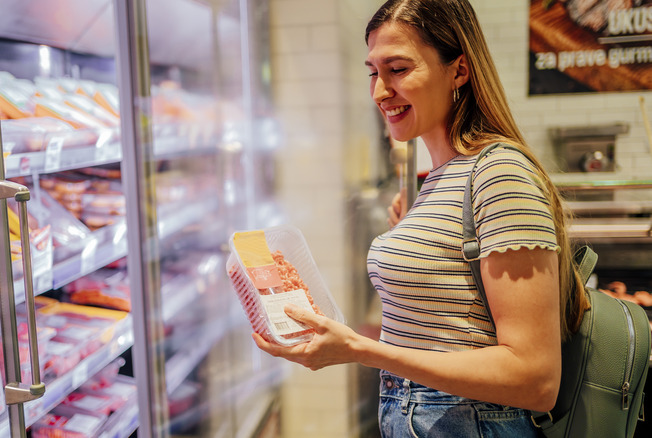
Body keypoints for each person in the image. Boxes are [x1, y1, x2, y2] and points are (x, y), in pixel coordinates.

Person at [252, 0, 591, 436]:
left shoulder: (500, 173)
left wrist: (360, 348)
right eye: (374, 72)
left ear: (460, 70)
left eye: (398, 69)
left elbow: (534, 378)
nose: (379, 92)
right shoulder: (438, 181)